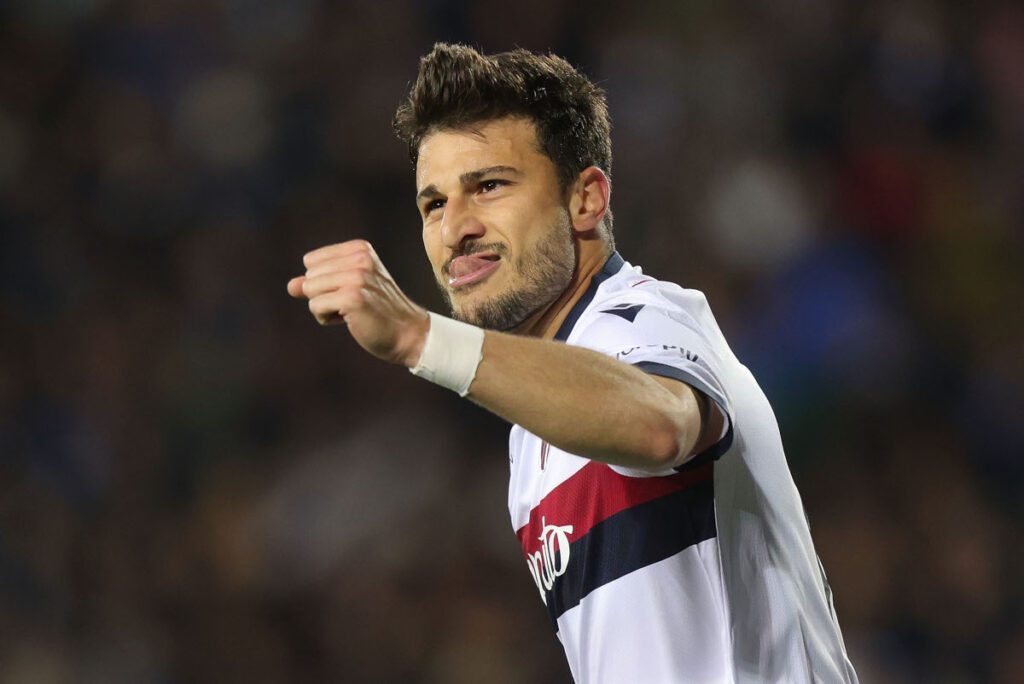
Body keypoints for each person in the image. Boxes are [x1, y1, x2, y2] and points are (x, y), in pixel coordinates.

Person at [287, 43, 858, 684]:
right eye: (434, 204)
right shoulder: (530, 435)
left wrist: (421, 338)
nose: (454, 229)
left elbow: (660, 426)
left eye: (489, 186)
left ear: (585, 198)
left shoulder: (649, 318)